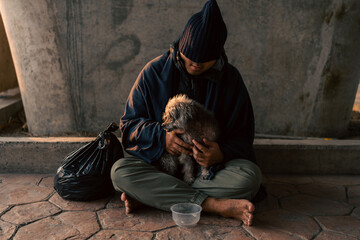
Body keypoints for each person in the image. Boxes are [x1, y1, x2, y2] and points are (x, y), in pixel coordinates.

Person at [111, 0, 262, 226]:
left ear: (218, 54)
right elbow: (129, 126)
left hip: (208, 172)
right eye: (190, 57)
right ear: (181, 45)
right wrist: (162, 139)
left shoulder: (231, 80)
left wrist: (220, 154)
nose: (196, 65)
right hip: (162, 166)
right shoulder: (153, 72)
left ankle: (157, 196)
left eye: (204, 61)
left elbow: (243, 136)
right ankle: (215, 205)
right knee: (120, 172)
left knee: (250, 177)